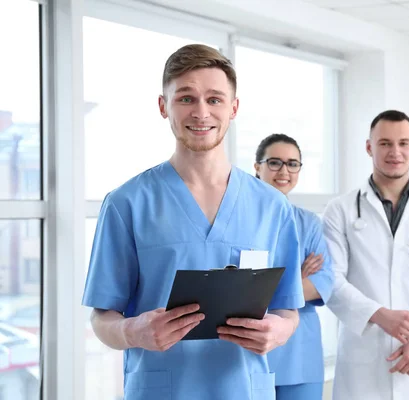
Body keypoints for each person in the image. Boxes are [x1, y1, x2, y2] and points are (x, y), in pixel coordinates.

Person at [81, 44, 304, 400]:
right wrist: (133, 332)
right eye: (186, 98)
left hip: (245, 390)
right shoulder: (127, 203)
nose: (201, 112)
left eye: (215, 99)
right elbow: (101, 319)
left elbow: (287, 309)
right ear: (163, 106)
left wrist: (280, 330)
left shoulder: (272, 206)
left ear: (233, 108)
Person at [322, 110, 409, 400]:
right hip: (363, 358)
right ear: (368, 147)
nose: (395, 152)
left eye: (403, 143)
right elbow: (330, 280)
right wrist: (379, 315)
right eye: (385, 143)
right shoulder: (340, 210)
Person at [253, 133, 334, 400]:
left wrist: (263, 289)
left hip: (300, 353)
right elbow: (231, 287)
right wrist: (296, 279)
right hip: (249, 350)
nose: (284, 171)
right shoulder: (236, 220)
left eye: (293, 163)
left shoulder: (308, 223)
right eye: (274, 162)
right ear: (257, 167)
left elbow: (323, 283)